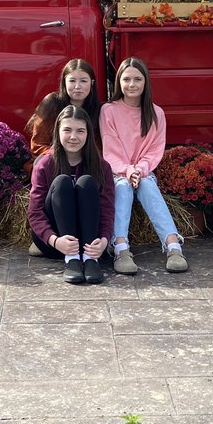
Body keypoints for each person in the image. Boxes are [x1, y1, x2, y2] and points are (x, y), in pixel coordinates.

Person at [99, 57, 188, 274]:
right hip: (117, 171)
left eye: (137, 79)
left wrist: (139, 170)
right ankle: (120, 247)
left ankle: (173, 245)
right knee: (122, 187)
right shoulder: (109, 110)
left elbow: (154, 150)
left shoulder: (156, 113)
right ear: (118, 81)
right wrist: (128, 171)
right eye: (126, 79)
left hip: (144, 171)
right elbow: (111, 149)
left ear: (145, 82)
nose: (132, 84)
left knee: (147, 185)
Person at [28, 106, 115, 285]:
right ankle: (72, 260)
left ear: (88, 134)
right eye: (67, 130)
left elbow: (107, 208)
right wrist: (55, 240)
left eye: (80, 131)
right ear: (57, 132)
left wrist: (104, 240)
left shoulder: (102, 167)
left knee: (86, 182)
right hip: (56, 242)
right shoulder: (45, 164)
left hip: (89, 241)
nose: (73, 137)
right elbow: (35, 212)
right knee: (61, 182)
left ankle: (91, 261)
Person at [26, 58, 101, 157]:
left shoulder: (99, 109)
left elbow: (99, 148)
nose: (77, 86)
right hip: (54, 161)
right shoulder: (52, 103)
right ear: (64, 82)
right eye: (72, 81)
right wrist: (63, 156)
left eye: (83, 81)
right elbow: (37, 145)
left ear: (92, 83)